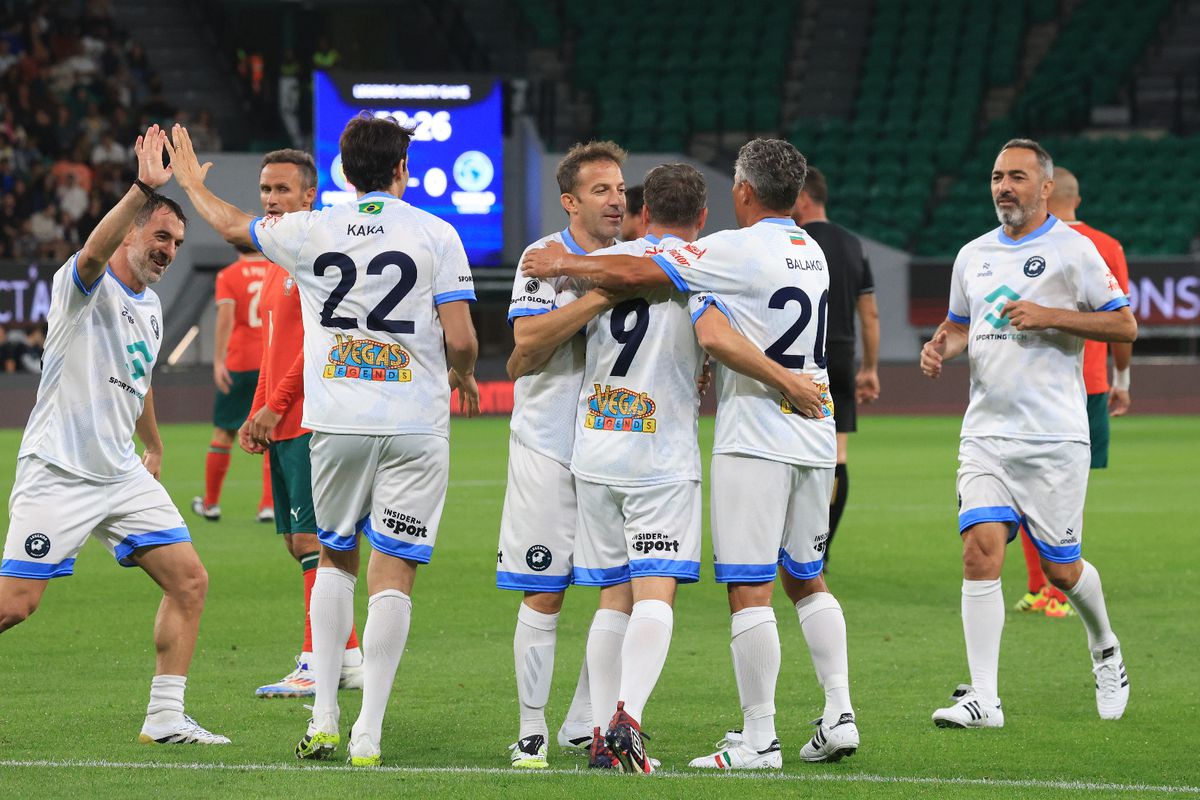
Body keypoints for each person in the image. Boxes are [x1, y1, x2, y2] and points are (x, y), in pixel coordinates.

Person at [522, 138, 860, 768]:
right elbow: (712, 331)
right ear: (705, 212)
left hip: (706, 438)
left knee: (710, 590)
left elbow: (647, 283)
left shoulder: (718, 255)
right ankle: (838, 711)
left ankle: (750, 738)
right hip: (807, 432)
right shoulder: (810, 251)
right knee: (805, 576)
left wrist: (565, 261)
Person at [168, 115, 481, 767]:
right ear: (402, 169)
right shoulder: (437, 233)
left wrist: (193, 185)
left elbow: (232, 226)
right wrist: (464, 374)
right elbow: (461, 337)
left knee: (334, 559)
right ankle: (369, 730)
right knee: (393, 570)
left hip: (336, 423)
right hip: (413, 425)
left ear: (343, 172)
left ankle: (325, 717)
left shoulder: (313, 229)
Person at [0, 125, 228, 745]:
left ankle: (165, 717)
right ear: (132, 231)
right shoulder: (84, 285)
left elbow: (139, 377)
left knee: (190, 581)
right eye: (160, 236)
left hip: (120, 472)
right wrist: (140, 190)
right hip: (60, 468)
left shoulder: (151, 308)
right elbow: (93, 253)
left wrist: (153, 443)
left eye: (177, 243)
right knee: (15, 605)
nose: (169, 251)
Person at [920, 139, 1136, 728]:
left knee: (1062, 571)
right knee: (978, 550)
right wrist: (941, 346)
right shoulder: (973, 254)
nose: (1004, 187)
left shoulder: (1075, 250)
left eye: (1016, 176)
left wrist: (1051, 316)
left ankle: (1105, 646)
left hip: (1054, 436)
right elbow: (960, 325)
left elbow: (1124, 324)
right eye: (997, 177)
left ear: (1045, 188)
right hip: (986, 432)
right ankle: (984, 698)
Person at [499, 141, 627, 769]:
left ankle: (584, 721)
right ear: (571, 202)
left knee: (618, 593)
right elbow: (527, 343)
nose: (617, 200)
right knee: (544, 589)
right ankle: (531, 730)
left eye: (621, 189)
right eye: (602, 190)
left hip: (616, 450)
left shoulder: (636, 261)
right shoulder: (540, 258)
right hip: (546, 445)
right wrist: (599, 295)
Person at [233, 149, 363, 699]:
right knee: (297, 541)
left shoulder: (314, 260)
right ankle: (348, 657)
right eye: (265, 189)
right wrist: (257, 409)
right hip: (283, 420)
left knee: (314, 539)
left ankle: (316, 660)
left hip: (311, 418)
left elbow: (316, 345)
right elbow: (274, 347)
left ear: (310, 196)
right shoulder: (274, 261)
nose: (270, 199)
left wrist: (278, 404)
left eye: (282, 190)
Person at [1015, 166, 1133, 618]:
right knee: (1065, 490)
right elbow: (1121, 320)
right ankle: (1058, 587)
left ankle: (1040, 587)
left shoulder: (1027, 243)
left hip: (1032, 383)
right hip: (1090, 383)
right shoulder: (1105, 245)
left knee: (1025, 485)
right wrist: (1123, 381)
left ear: (1044, 195)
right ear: (1077, 199)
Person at [790, 167, 880, 564]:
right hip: (841, 356)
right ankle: (820, 548)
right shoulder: (853, 244)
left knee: (787, 447)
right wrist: (870, 368)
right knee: (837, 455)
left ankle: (790, 539)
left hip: (797, 357)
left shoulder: (795, 242)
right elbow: (869, 314)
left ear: (803, 198)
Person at [191, 245, 273, 523]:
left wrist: (218, 361)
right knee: (271, 432)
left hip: (240, 362)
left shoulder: (229, 275)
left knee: (223, 433)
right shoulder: (277, 270)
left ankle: (211, 504)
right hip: (270, 361)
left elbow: (226, 317)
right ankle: (268, 505)